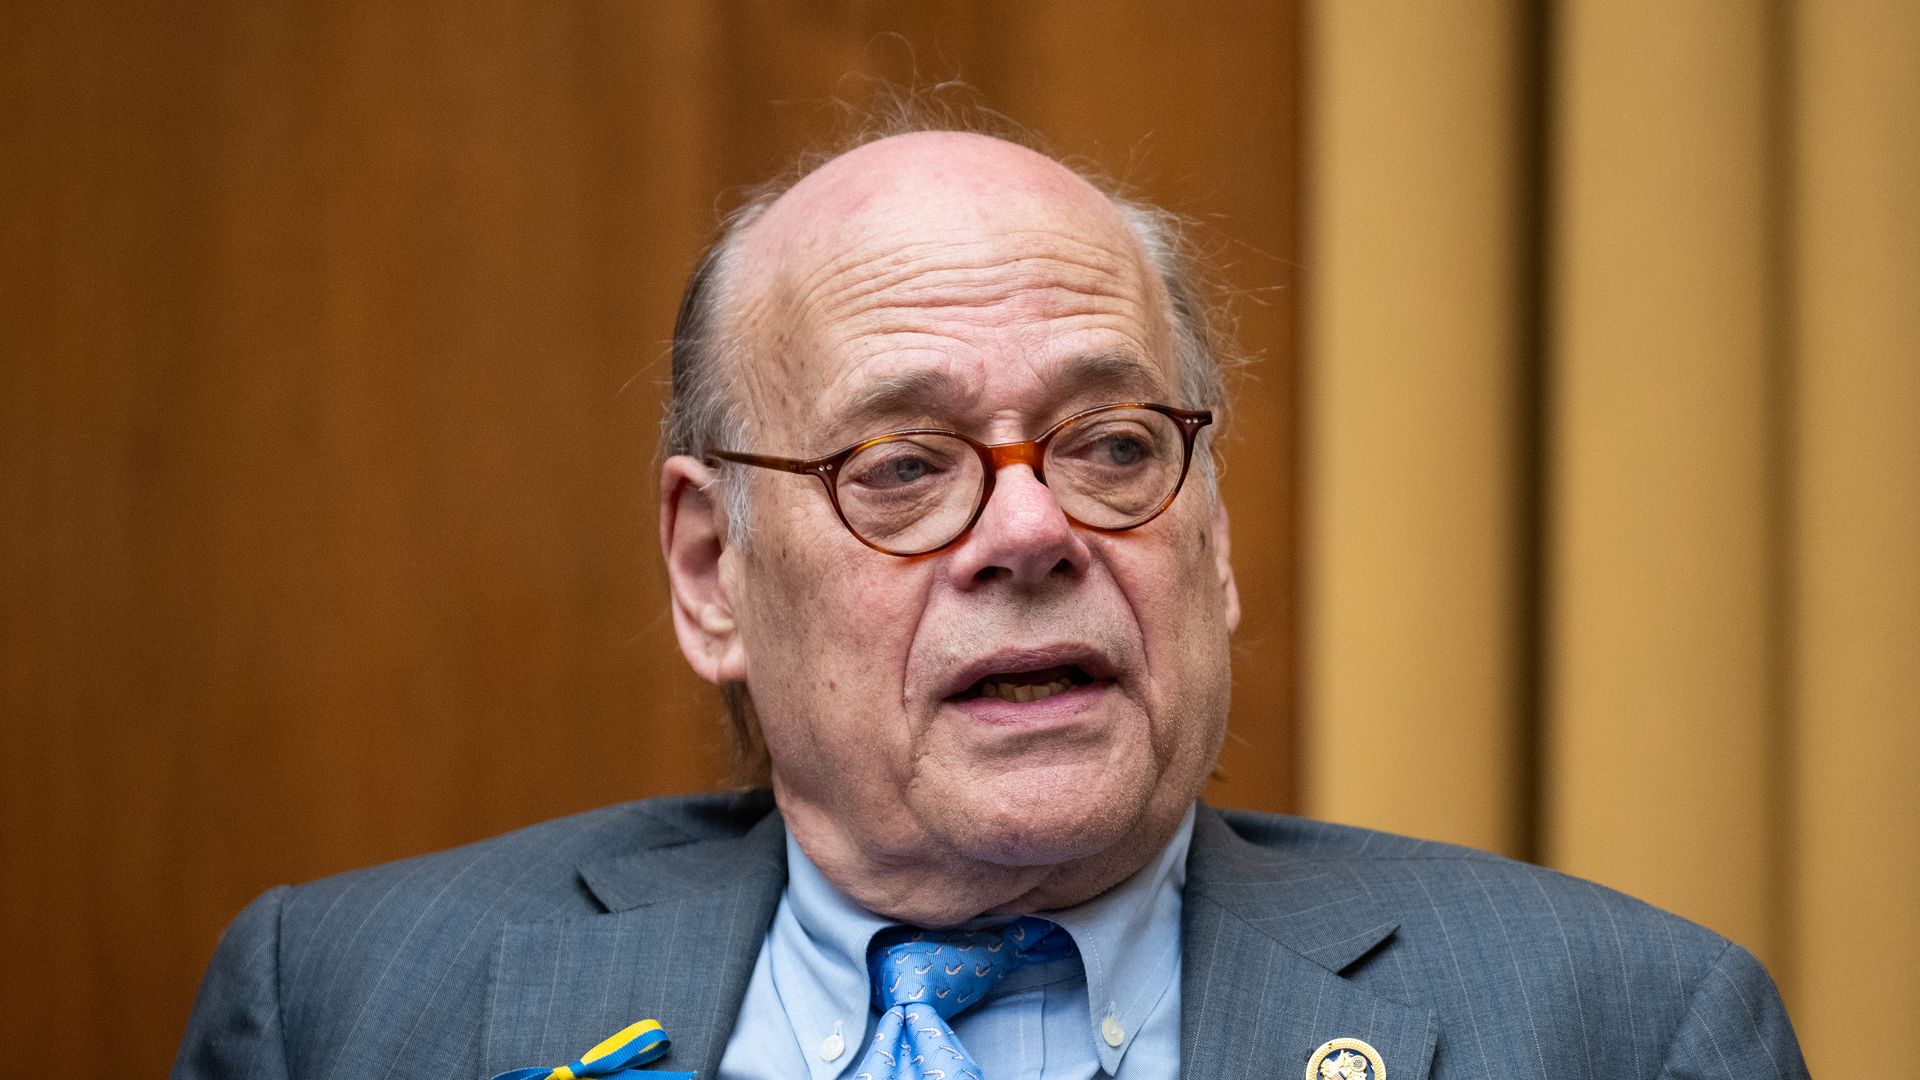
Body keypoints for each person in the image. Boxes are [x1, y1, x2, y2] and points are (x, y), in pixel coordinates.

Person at [174, 118, 1809, 1080]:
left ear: (1214, 544)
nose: (1029, 530)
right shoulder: (347, 1004)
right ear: (710, 573)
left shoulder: (1620, 1029)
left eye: (1109, 445)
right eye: (901, 464)